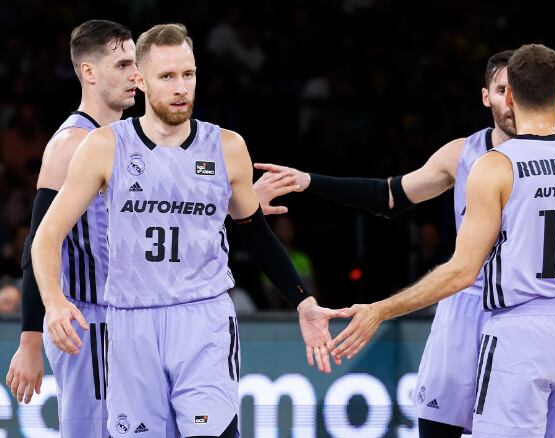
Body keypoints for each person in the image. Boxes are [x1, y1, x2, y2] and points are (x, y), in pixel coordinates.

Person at [31, 23, 342, 437]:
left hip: (202, 319)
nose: (181, 88)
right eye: (167, 77)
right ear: (140, 81)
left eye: (188, 75)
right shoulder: (104, 147)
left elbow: (255, 232)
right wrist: (52, 303)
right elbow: (46, 236)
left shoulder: (228, 147)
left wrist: (303, 302)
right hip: (131, 324)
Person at [330, 44, 555, 437]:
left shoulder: (498, 165)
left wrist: (381, 309)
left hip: (521, 328)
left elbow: (462, 271)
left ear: (512, 95)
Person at [254, 50, 516, 436]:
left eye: (518, 90)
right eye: (501, 89)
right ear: (485, 95)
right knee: (437, 426)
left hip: (517, 310)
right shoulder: (462, 153)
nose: (510, 100)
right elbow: (388, 197)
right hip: (464, 307)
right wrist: (309, 181)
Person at [5, 20, 137, 438]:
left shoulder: (125, 139)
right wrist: (29, 342)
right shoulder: (71, 144)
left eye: (136, 63)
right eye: (122, 64)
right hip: (87, 323)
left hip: (128, 322)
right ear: (90, 72)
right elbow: (38, 244)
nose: (136, 74)